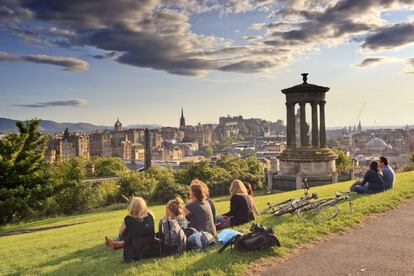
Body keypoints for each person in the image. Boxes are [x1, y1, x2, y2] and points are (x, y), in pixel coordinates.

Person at [105, 197, 160, 262]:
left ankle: (116, 243)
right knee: (135, 232)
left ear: (132, 206)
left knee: (125, 233)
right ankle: (116, 243)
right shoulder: (151, 215)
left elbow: (120, 233)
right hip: (151, 247)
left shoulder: (128, 219)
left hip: (135, 251)